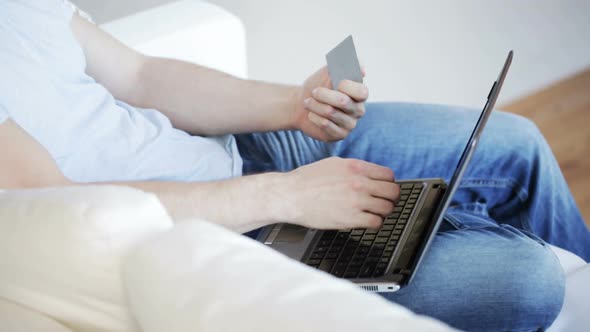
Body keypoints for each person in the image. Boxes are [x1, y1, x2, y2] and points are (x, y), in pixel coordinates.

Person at [1, 1, 588, 330]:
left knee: (515, 142)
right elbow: (60, 213)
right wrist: (283, 197)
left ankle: (432, 220)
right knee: (525, 280)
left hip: (246, 157)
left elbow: (139, 76)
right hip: (225, 234)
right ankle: (432, 222)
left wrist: (294, 107)